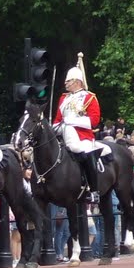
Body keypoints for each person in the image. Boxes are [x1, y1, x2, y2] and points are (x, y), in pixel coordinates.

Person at [53, 64, 101, 203]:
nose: (65, 83)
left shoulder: (89, 97)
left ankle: (94, 191)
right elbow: (57, 119)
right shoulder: (63, 98)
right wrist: (55, 127)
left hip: (83, 136)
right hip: (64, 133)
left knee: (86, 150)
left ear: (77, 81)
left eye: (68, 81)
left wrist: (71, 121)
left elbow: (94, 121)